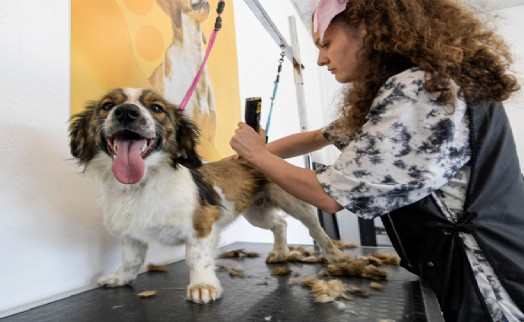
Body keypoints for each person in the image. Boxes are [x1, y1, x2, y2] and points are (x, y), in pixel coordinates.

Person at [229, 0, 524, 321]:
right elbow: (318, 137)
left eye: (327, 44)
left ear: (367, 28)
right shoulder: (430, 82)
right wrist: (248, 154)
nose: (320, 59)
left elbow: (328, 197)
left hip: (485, 280)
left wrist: (257, 155)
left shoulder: (419, 91)